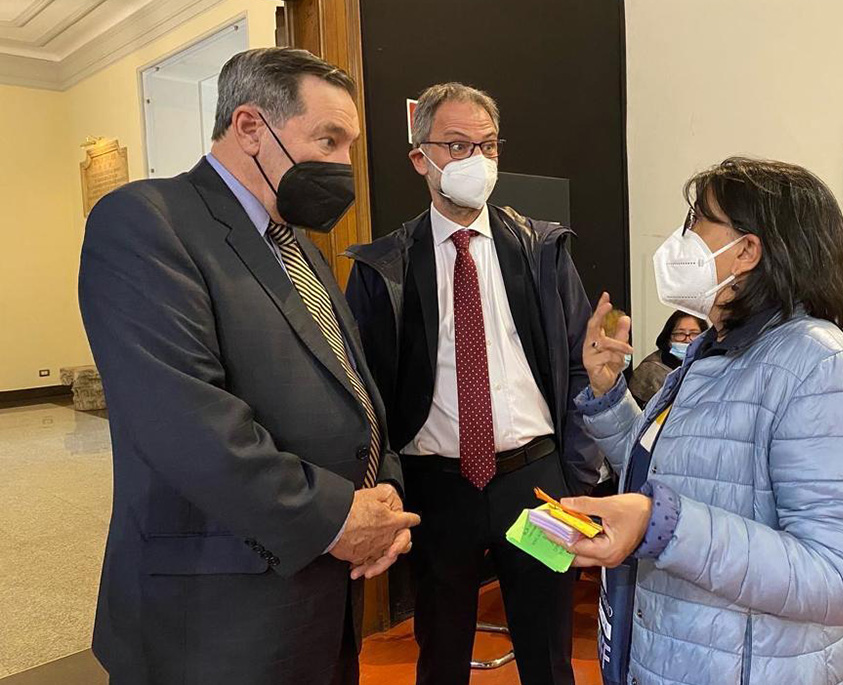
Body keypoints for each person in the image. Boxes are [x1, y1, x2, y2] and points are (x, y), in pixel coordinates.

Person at [78, 48, 420, 685]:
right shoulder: (147, 222)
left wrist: (386, 497)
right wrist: (339, 518)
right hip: (215, 618)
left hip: (318, 597)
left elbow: (355, 391)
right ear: (250, 128)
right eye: (328, 139)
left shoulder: (301, 250)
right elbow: (187, 425)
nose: (344, 164)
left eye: (349, 144)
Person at [548, 158, 843, 684]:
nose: (680, 238)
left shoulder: (824, 368)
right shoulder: (716, 352)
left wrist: (663, 526)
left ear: (747, 251)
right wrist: (606, 393)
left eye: (696, 221)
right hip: (683, 648)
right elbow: (675, 476)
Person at [345, 82, 597, 685]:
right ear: (419, 158)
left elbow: (581, 363)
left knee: (549, 652)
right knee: (440, 651)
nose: (475, 161)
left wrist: (578, 474)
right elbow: (363, 391)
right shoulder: (384, 268)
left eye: (487, 146)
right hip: (437, 491)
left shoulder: (543, 250)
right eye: (456, 146)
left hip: (537, 485)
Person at [628, 310, 707, 407]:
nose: (687, 340)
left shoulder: (712, 365)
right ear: (669, 337)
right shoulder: (649, 370)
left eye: (694, 334)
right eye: (680, 334)